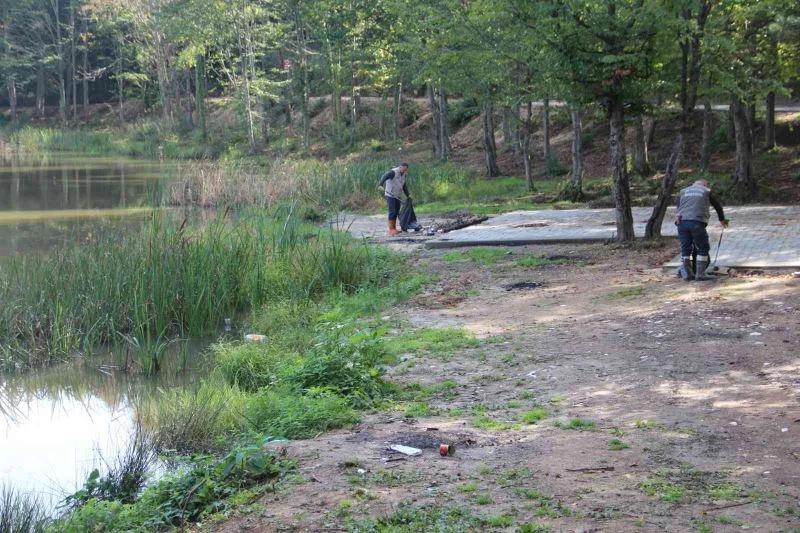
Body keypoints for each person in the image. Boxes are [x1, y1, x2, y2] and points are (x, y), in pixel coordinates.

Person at [675, 178, 729, 281]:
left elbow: (678, 206)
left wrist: (678, 216)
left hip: (682, 222)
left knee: (686, 248)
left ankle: (688, 274)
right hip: (696, 222)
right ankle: (700, 274)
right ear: (705, 185)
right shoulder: (707, 191)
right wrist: (722, 220)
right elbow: (717, 206)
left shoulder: (683, 191)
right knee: (703, 247)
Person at [378, 162, 411, 236]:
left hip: (397, 195)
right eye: (403, 169)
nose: (404, 171)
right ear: (400, 167)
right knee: (392, 211)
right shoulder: (393, 172)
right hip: (390, 194)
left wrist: (408, 195)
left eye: (406, 170)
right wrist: (380, 184)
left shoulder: (404, 175)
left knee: (396, 211)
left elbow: (404, 185)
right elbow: (385, 176)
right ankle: (391, 229)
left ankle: (394, 228)